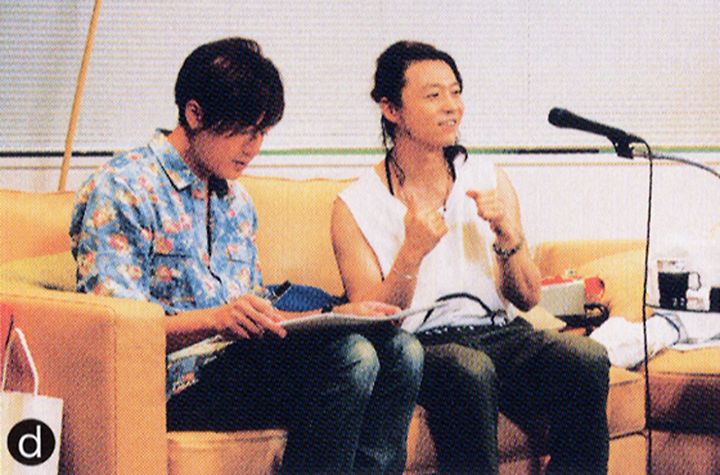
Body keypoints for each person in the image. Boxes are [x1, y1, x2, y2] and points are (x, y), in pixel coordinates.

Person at [70, 37, 423, 474]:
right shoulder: (125, 188)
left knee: (402, 351)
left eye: (262, 133)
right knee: (352, 358)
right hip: (174, 382)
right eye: (244, 130)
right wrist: (215, 319)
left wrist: (335, 315)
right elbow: (115, 329)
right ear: (195, 114)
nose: (253, 147)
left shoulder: (236, 201)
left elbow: (252, 315)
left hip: (239, 365)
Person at [331, 40, 610, 474]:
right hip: (425, 345)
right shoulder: (355, 204)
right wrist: (411, 252)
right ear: (391, 109)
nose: (451, 107)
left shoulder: (487, 178)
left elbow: (529, 297)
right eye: (433, 95)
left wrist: (508, 237)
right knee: (469, 369)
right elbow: (375, 326)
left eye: (456, 92)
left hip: (501, 333)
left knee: (586, 358)